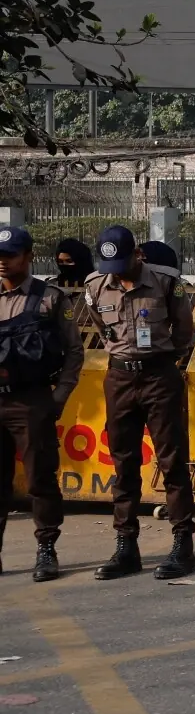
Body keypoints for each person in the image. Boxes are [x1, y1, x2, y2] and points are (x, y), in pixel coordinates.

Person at [86, 226, 195, 580]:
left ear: (138, 254)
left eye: (123, 262)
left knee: (172, 460)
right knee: (123, 461)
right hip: (119, 378)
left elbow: (184, 332)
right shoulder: (94, 286)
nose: (117, 272)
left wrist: (162, 362)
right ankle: (126, 546)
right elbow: (100, 328)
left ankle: (183, 544)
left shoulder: (167, 282)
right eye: (111, 266)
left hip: (159, 376)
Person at [0, 228, 84, 581]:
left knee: (39, 480)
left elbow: (73, 353)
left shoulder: (48, 298)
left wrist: (58, 398)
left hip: (31, 401)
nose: (3, 262)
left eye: (11, 255)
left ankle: (46, 549)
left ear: (29, 256)